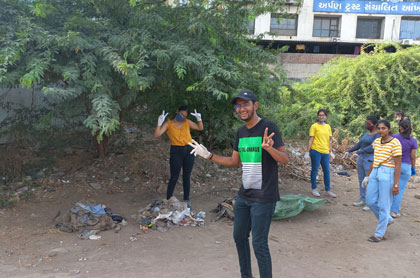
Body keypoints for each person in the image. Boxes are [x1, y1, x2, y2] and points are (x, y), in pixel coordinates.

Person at [188, 89, 288, 278]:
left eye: (245, 104)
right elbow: (235, 162)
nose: (241, 108)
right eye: (238, 105)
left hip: (264, 196)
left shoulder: (268, 126)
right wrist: (209, 155)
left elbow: (284, 159)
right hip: (245, 195)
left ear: (255, 105)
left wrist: (269, 149)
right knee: (239, 237)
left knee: (259, 243)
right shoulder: (241, 132)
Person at [153, 106, 203, 207]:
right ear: (177, 111)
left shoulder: (187, 122)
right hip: (176, 150)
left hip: (189, 149)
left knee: (186, 175)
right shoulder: (169, 123)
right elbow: (157, 135)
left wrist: (199, 119)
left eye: (184, 116)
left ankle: (186, 199)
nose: (182, 117)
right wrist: (159, 124)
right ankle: (168, 198)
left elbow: (200, 128)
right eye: (181, 114)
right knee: (174, 176)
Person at [362, 120, 401, 242]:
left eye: (383, 128)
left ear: (389, 129)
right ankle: (388, 220)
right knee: (370, 200)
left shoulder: (395, 143)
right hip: (375, 171)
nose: (380, 130)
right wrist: (367, 176)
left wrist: (395, 184)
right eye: (379, 128)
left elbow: (398, 165)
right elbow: (375, 160)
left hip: (387, 172)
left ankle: (379, 234)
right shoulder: (377, 142)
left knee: (385, 204)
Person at [343, 115, 380, 211]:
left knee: (370, 180)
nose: (367, 125)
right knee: (361, 180)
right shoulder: (366, 134)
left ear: (375, 125)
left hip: (370, 159)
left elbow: (372, 147)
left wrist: (359, 152)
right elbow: (359, 144)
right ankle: (362, 199)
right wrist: (349, 150)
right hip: (361, 158)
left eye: (369, 124)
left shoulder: (377, 135)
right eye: (367, 124)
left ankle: (370, 202)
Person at [304, 109, 336, 198]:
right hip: (316, 150)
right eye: (320, 115)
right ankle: (314, 189)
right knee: (315, 169)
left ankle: (327, 190)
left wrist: (331, 151)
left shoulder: (328, 127)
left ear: (326, 116)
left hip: (325, 151)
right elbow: (311, 139)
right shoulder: (314, 126)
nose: (321, 116)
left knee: (327, 171)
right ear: (317, 116)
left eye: (323, 115)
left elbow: (329, 140)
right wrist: (307, 152)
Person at [390, 119, 417, 218]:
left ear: (400, 127)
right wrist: (413, 169)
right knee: (399, 189)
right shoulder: (413, 141)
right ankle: (394, 211)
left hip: (393, 164)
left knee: (391, 186)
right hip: (406, 166)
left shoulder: (394, 137)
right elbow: (413, 156)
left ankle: (386, 207)